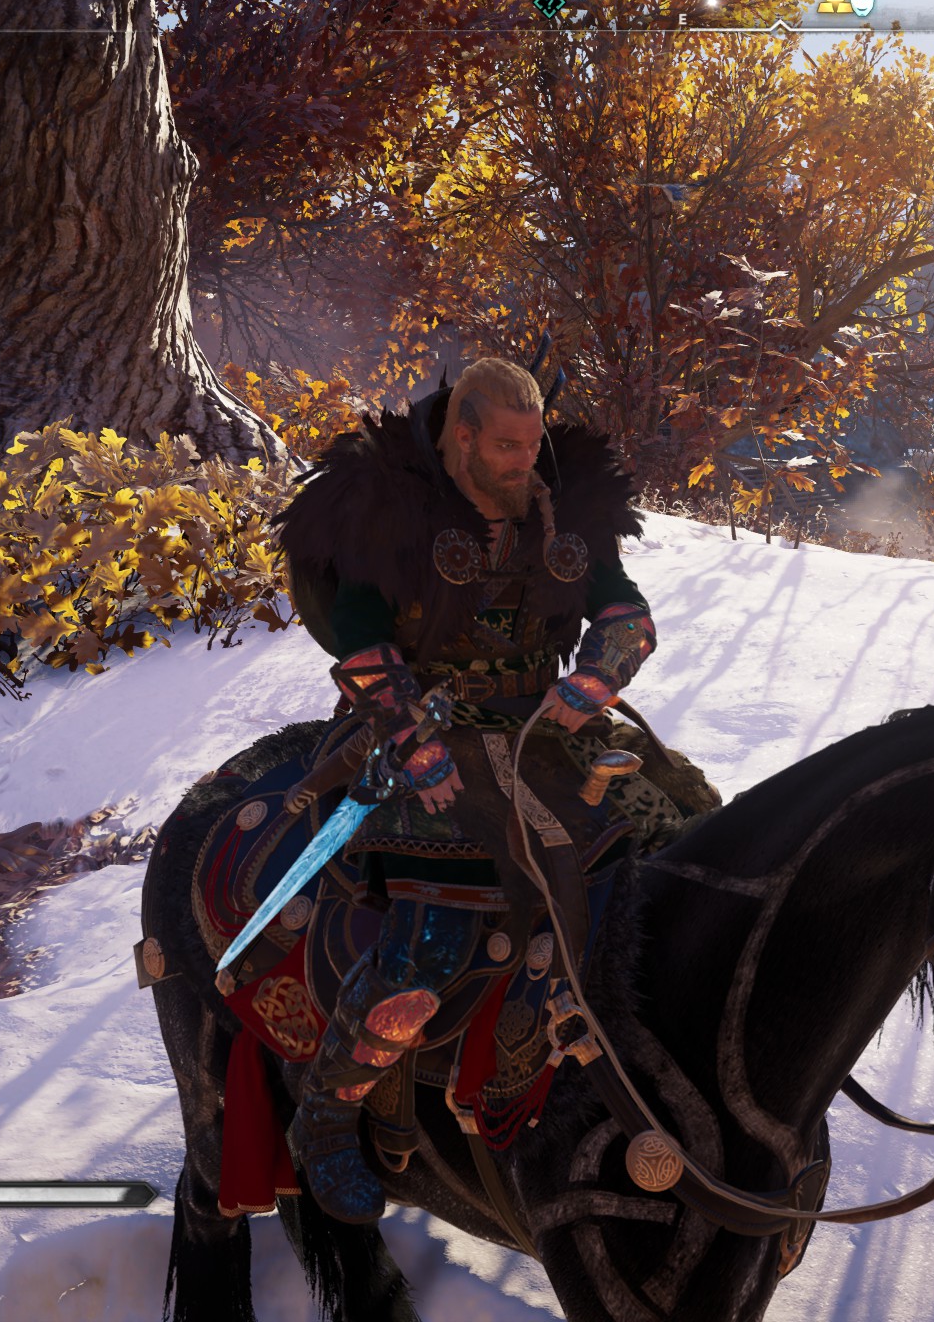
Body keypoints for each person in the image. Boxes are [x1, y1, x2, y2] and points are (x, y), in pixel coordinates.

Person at [271, 356, 659, 1223]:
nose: (527, 461)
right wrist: (411, 737)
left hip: (545, 737)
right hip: (419, 738)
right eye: (509, 446)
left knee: (684, 854)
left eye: (533, 443)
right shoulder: (391, 510)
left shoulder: (566, 506)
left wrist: (597, 675)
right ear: (465, 437)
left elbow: (626, 612)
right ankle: (326, 1118)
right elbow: (362, 641)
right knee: (431, 944)